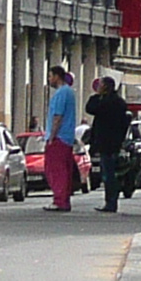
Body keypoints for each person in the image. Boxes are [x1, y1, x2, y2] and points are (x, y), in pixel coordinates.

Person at [82, 76, 132, 213]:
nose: (98, 87)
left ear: (105, 87)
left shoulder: (105, 102)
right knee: (111, 173)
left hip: (106, 142)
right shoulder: (120, 102)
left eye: (100, 85)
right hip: (115, 142)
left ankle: (110, 202)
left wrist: (97, 95)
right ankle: (111, 201)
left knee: (108, 174)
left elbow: (90, 108)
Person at [41, 66, 81, 212]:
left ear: (57, 76)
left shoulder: (60, 93)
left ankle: (59, 200)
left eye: (50, 76)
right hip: (67, 137)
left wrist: (51, 136)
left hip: (59, 137)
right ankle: (64, 199)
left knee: (56, 170)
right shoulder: (69, 92)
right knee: (64, 170)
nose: (49, 79)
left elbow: (57, 117)